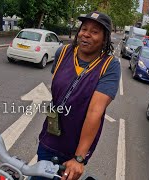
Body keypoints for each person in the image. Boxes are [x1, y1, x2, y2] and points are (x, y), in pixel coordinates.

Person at [35, 11, 121, 180]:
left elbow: (95, 112)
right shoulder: (63, 53)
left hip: (75, 150)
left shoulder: (110, 66)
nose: (86, 34)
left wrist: (79, 158)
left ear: (104, 39)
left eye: (95, 32)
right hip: (50, 138)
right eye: (84, 29)